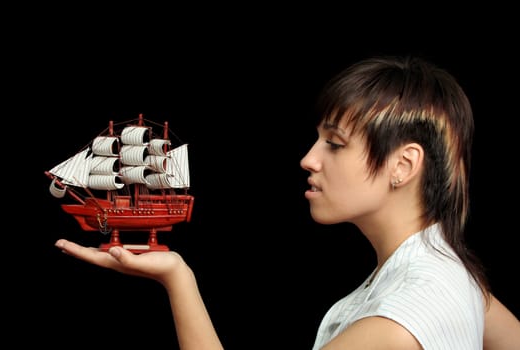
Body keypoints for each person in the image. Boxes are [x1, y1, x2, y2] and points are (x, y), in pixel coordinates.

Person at [54, 55, 520, 349]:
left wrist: (179, 283)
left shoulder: (395, 325)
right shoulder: (454, 276)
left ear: (403, 165)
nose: (308, 159)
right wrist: (178, 274)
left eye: (334, 144)